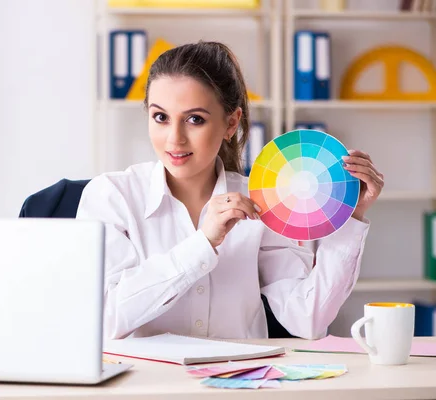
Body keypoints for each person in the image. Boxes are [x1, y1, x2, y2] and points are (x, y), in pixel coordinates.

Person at [76, 41, 383, 341]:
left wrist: (351, 219)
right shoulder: (112, 195)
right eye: (161, 117)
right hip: (151, 387)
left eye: (195, 119)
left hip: (240, 384)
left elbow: (306, 319)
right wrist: (202, 243)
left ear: (231, 123)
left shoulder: (266, 200)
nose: (174, 139)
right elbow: (105, 320)